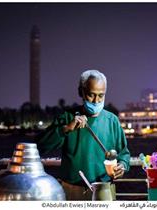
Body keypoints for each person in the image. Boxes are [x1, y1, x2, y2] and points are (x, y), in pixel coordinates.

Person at [36, 69, 130, 200]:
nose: (96, 100)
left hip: (104, 189)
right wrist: (65, 129)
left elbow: (123, 153)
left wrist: (123, 165)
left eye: (101, 95)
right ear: (81, 92)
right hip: (71, 190)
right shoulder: (67, 117)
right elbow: (40, 146)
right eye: (91, 95)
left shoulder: (112, 120)